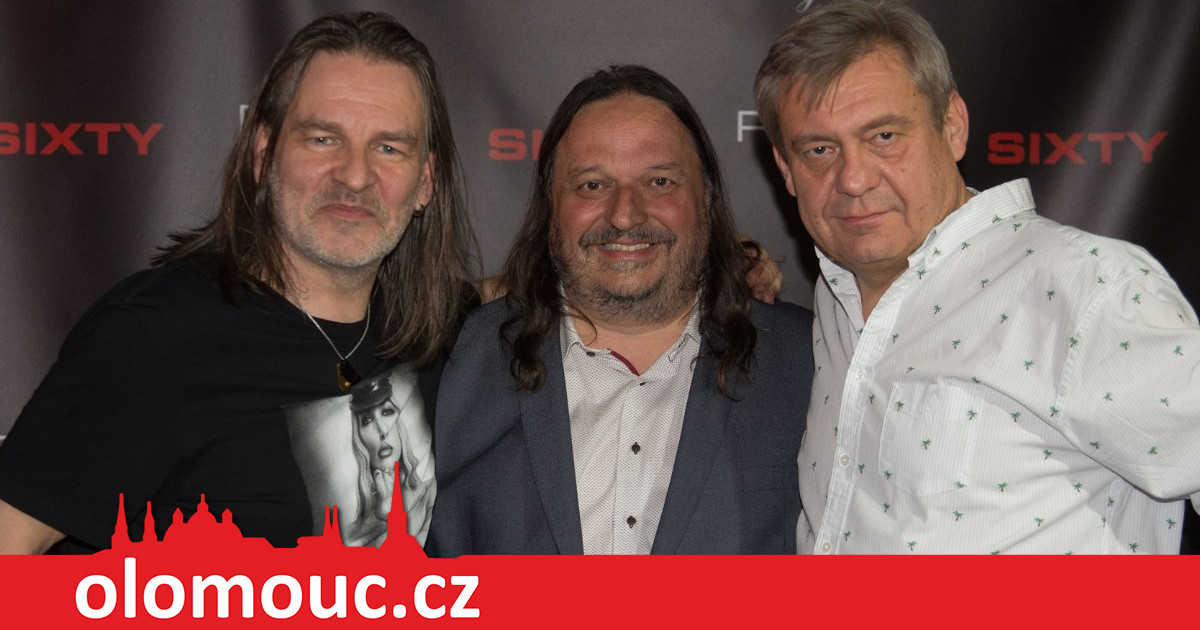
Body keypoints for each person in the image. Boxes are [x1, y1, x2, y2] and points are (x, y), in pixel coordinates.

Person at [0, 12, 476, 553]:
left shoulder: (439, 330)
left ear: (425, 182)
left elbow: (522, 295)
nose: (354, 175)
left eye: (389, 148)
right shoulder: (153, 336)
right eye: (323, 139)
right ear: (263, 156)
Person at [755, 0, 1200, 554]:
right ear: (786, 169)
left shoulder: (1087, 289)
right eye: (819, 149)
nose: (853, 179)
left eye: (884, 136)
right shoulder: (837, 297)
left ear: (953, 126)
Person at [426, 65, 813, 556]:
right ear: (550, 206)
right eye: (592, 185)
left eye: (659, 181)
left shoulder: (811, 360)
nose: (625, 214)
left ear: (706, 199)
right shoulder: (459, 357)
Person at [344, 372, 434, 547]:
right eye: (367, 420)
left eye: (387, 412)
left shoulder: (428, 493)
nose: (382, 430)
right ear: (359, 438)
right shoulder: (351, 533)